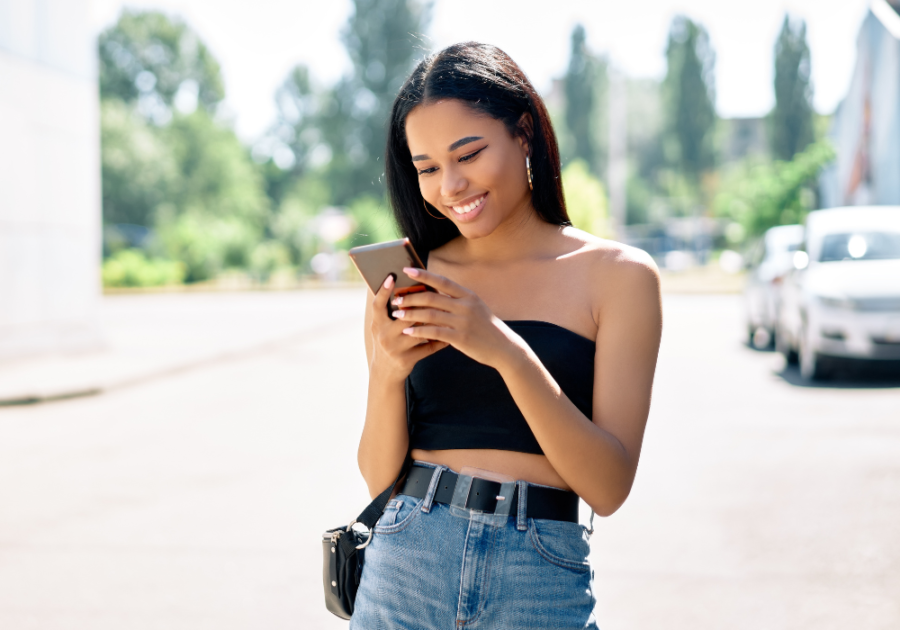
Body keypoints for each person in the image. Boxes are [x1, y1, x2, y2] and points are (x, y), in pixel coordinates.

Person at [352, 42, 662, 629]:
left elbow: (608, 486)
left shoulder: (619, 277)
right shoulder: (419, 275)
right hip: (405, 564)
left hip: (538, 575)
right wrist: (387, 373)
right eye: (426, 168)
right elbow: (377, 478)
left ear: (524, 133)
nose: (450, 186)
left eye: (467, 154)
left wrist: (505, 351)